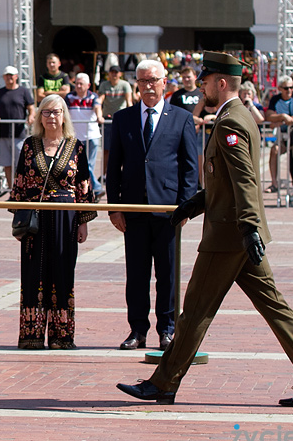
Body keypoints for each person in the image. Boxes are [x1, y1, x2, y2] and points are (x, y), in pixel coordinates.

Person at [118, 51, 293, 407]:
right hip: (240, 234)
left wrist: (248, 226)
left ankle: (163, 382)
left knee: (196, 309)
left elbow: (246, 180)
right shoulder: (239, 115)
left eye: (205, 81)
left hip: (229, 234)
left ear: (221, 83)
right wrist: (198, 202)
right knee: (275, 307)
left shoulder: (231, 120)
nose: (201, 87)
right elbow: (228, 179)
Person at [106, 59, 198, 351]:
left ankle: (167, 329)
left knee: (168, 274)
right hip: (133, 210)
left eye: (153, 80)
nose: (148, 87)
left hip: (168, 211)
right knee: (136, 274)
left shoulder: (181, 118)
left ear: (164, 83)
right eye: (143, 81)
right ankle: (137, 330)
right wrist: (115, 208)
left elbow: (189, 168)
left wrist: (185, 207)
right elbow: (113, 167)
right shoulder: (123, 119)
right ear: (137, 84)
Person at [10, 94, 96, 349]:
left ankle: (61, 336)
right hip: (35, 217)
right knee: (33, 273)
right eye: (45, 112)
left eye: (56, 112)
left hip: (65, 216)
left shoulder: (75, 145)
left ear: (64, 115)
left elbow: (84, 184)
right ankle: (32, 335)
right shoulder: (29, 145)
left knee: (62, 272)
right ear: (39, 117)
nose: (51, 117)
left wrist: (83, 221)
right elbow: (20, 183)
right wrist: (18, 219)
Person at [0, 66, 36, 186]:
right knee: (7, 164)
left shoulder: (23, 91)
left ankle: (22, 187)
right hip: (3, 133)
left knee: (21, 163)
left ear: (16, 76)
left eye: (11, 75)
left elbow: (31, 108)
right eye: (7, 75)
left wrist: (31, 117)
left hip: (19, 133)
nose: (9, 77)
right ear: (4, 77)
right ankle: (11, 190)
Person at [265, 75, 293, 205]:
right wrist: (283, 117)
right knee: (274, 150)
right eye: (286, 88)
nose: (289, 90)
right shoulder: (276, 99)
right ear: (279, 89)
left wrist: (287, 119)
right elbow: (269, 116)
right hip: (283, 135)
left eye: (291, 88)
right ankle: (274, 183)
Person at [64, 72, 104, 197]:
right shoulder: (69, 97)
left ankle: (93, 188)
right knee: (80, 164)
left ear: (88, 85)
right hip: (76, 137)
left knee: (89, 165)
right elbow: (64, 110)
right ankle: (94, 188)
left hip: (92, 135)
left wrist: (99, 116)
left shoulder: (93, 96)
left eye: (81, 84)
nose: (78, 86)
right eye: (76, 83)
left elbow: (97, 107)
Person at [98, 64, 133, 180]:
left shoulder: (125, 85)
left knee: (124, 148)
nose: (114, 74)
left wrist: (130, 115)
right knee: (106, 149)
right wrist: (97, 107)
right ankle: (103, 175)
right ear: (109, 74)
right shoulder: (104, 85)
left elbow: (129, 101)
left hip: (122, 119)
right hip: (108, 119)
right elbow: (100, 99)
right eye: (112, 72)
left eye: (116, 72)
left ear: (120, 74)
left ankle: (122, 174)